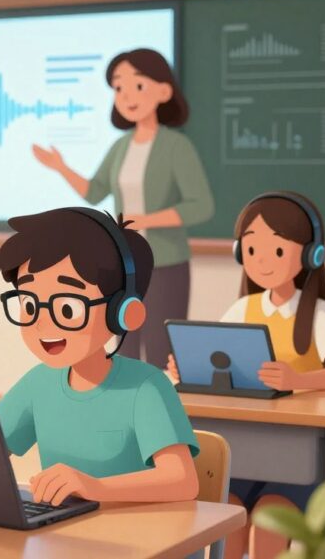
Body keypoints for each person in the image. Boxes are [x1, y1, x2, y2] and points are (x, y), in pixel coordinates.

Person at [168, 191, 325, 559]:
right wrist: (188, 369)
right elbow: (218, 360)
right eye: (251, 251)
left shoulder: (319, 313)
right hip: (246, 448)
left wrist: (298, 381)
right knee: (226, 510)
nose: (262, 261)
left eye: (277, 251)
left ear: (311, 254)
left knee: (268, 517)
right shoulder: (242, 308)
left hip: (298, 457)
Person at [0, 207, 198, 506]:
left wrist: (96, 489)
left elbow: (183, 480)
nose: (43, 322)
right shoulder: (39, 382)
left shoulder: (145, 387)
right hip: (62, 537)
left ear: (123, 312)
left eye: (67, 308)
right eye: (30, 303)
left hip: (139, 540)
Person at [32, 48, 214, 367]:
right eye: (119, 88)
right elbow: (93, 192)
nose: (127, 96)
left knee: (161, 349)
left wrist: (147, 220)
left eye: (137, 86)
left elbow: (201, 206)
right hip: (125, 263)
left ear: (163, 91)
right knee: (124, 345)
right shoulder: (120, 146)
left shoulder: (176, 147)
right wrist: (61, 167)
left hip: (166, 263)